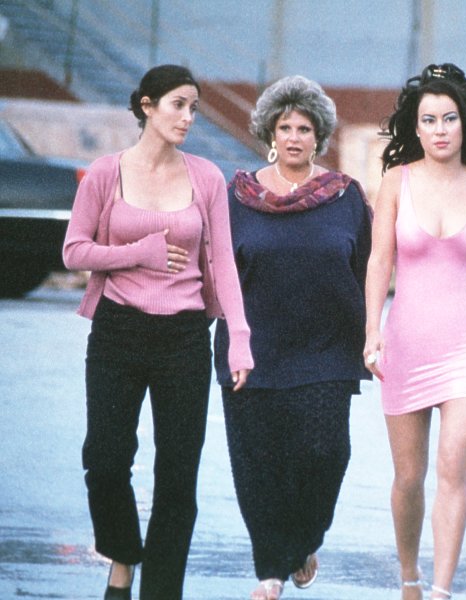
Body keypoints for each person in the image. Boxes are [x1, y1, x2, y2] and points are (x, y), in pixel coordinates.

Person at [62, 64, 253, 600]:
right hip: (117, 332)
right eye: (178, 104)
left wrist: (239, 337)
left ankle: (161, 592)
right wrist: (137, 253)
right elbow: (73, 250)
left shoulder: (207, 178)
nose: (188, 117)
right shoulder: (106, 173)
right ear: (147, 106)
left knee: (177, 477)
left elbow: (224, 263)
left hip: (184, 338)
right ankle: (122, 554)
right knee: (104, 460)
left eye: (194, 107)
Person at [364, 63, 466, 600]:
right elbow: (379, 261)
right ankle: (409, 577)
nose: (439, 129)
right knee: (409, 478)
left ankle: (441, 591)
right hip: (405, 342)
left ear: (465, 123)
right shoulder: (395, 181)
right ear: (415, 127)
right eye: (428, 119)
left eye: (449, 118)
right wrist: (371, 331)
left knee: (454, 466)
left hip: (465, 347)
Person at [211, 74, 372, 600]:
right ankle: (270, 571)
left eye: (305, 128)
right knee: (257, 465)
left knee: (326, 453)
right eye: (286, 128)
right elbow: (218, 272)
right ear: (270, 133)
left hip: (327, 348)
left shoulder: (345, 197)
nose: (295, 137)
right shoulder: (238, 197)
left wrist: (374, 332)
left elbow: (369, 268)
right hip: (253, 349)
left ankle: (303, 542)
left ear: (318, 135)